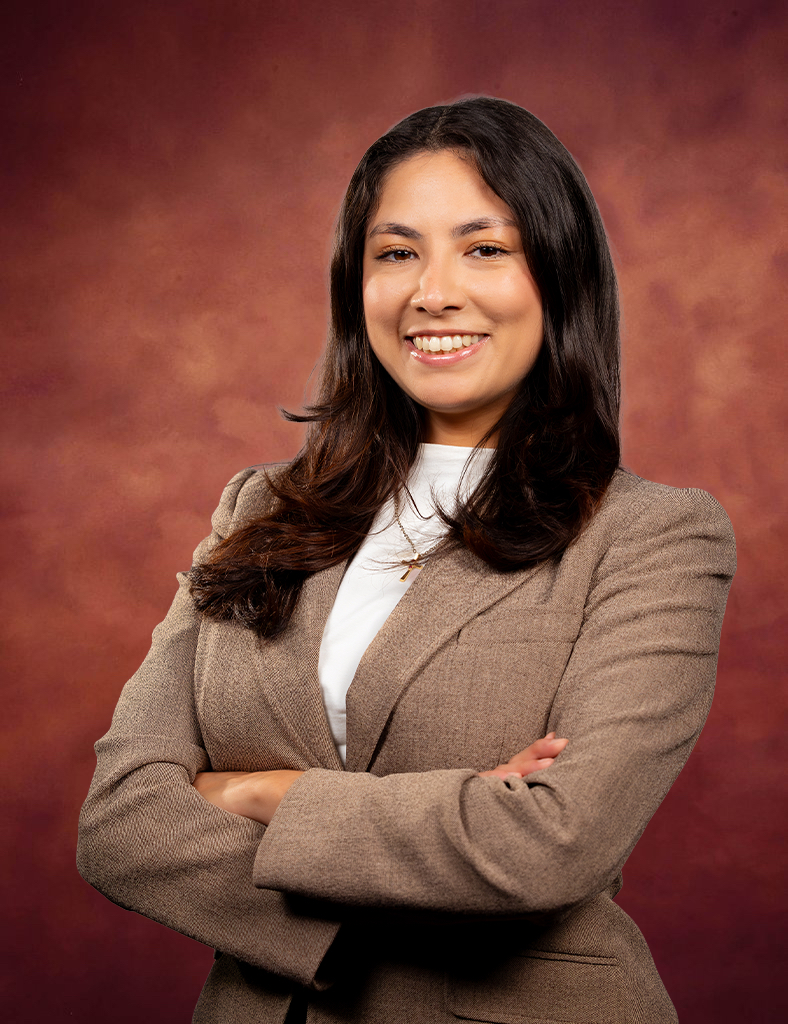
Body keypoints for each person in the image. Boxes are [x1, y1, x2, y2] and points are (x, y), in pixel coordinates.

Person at [77, 96, 735, 1024]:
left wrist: (264, 793)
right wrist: (440, 834)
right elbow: (119, 824)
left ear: (560, 274)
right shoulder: (258, 508)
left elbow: (552, 843)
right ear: (358, 285)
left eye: (484, 248)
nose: (433, 291)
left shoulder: (653, 536)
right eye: (396, 253)